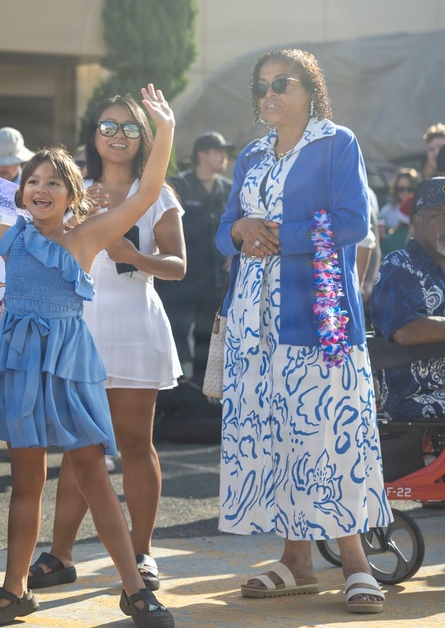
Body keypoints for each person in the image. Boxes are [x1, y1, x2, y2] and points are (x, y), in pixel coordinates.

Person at [0, 84, 177, 628]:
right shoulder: (11, 239)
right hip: (19, 367)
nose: (41, 188)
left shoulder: (89, 236)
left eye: (54, 182)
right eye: (33, 181)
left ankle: (133, 588)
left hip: (70, 367)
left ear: (74, 196)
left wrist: (164, 129)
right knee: (26, 482)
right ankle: (15, 588)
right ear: (21, 192)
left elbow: (146, 195)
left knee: (93, 474)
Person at [216, 49, 388, 614]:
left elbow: (351, 222)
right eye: (261, 85)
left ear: (309, 88)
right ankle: (296, 562)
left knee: (328, 435)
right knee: (274, 436)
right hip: (252, 321)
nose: (269, 92)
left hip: (320, 316)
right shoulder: (251, 155)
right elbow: (223, 232)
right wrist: (242, 228)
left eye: (281, 82)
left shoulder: (337, 142)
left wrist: (278, 233)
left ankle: (357, 565)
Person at [30, 95, 184, 594]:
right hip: (79, 328)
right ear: (94, 134)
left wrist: (132, 254)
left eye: (130, 127)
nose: (117, 134)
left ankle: (142, 554)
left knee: (136, 444)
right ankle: (60, 554)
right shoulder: (73, 191)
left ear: (144, 136)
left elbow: (179, 267)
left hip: (135, 326)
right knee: (80, 448)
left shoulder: (156, 192)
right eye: (107, 125)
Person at [158, 131, 233, 383]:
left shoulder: (229, 188)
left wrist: (235, 253)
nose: (224, 156)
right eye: (218, 151)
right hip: (181, 281)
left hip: (215, 279)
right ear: (203, 154)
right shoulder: (177, 185)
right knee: (174, 337)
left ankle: (202, 398)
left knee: (209, 339)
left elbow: (238, 225)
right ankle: (170, 398)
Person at [370, 177, 445, 420]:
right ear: (417, 222)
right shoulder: (399, 265)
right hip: (417, 399)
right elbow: (406, 330)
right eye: (440, 214)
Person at [378, 168, 418, 254]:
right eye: (401, 189)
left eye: (409, 189)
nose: (405, 193)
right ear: (396, 189)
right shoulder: (386, 211)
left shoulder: (421, 211)